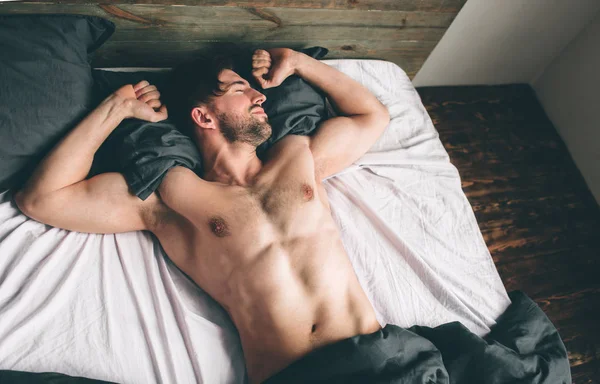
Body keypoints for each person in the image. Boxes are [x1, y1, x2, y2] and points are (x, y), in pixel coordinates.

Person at [15, 48, 390, 383]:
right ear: (204, 117)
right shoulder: (172, 199)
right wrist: (117, 108)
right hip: (293, 374)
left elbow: (371, 115)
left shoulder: (299, 157)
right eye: (240, 90)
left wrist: (298, 62)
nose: (260, 96)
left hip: (382, 364)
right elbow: (41, 199)